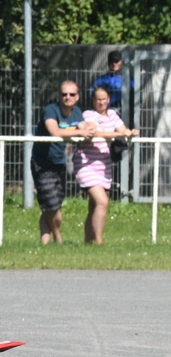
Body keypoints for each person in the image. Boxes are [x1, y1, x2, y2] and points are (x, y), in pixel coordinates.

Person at [31, 81, 96, 245]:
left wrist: (92, 129)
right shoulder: (51, 110)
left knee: (51, 206)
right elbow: (55, 132)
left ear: (77, 97)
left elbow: (86, 129)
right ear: (59, 96)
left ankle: (45, 244)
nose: (68, 97)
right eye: (64, 94)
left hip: (59, 163)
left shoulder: (77, 113)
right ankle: (59, 239)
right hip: (42, 163)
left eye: (72, 94)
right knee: (52, 208)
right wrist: (81, 131)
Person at [73, 85, 139, 245]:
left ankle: (88, 241)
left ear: (108, 99)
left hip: (104, 165)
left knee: (95, 205)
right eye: (98, 99)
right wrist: (119, 134)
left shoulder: (113, 115)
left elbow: (123, 129)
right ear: (93, 101)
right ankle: (99, 241)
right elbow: (95, 132)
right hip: (86, 163)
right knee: (102, 201)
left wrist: (130, 132)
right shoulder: (88, 114)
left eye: (104, 99)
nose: (101, 102)